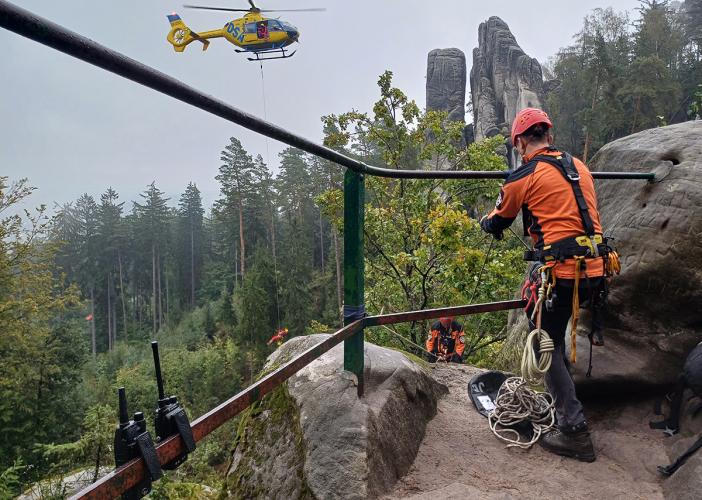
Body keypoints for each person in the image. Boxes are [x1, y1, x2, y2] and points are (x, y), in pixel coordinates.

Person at [480, 107, 609, 462]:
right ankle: (564, 404)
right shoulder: (578, 166)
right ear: (549, 136)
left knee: (543, 343)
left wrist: (485, 222)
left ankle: (573, 428)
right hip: (596, 269)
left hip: (565, 272)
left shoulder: (524, 173)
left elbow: (499, 219)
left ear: (520, 141)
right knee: (552, 329)